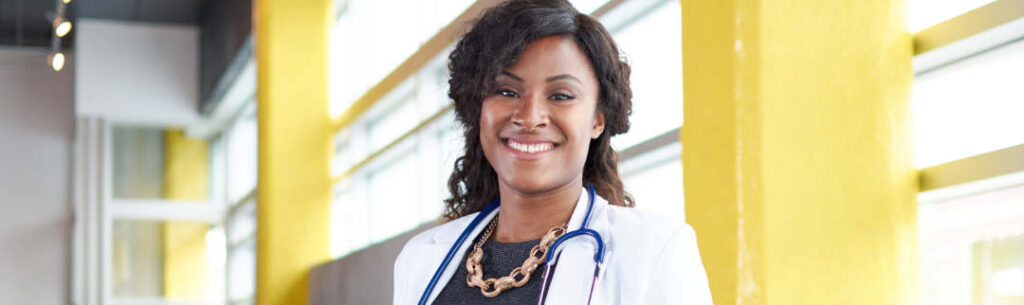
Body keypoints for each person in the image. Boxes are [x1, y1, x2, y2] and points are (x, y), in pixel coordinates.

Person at [393, 0, 712, 304]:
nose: (530, 117)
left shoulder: (654, 251)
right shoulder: (420, 258)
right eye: (507, 91)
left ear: (598, 120)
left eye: (561, 96)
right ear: (478, 108)